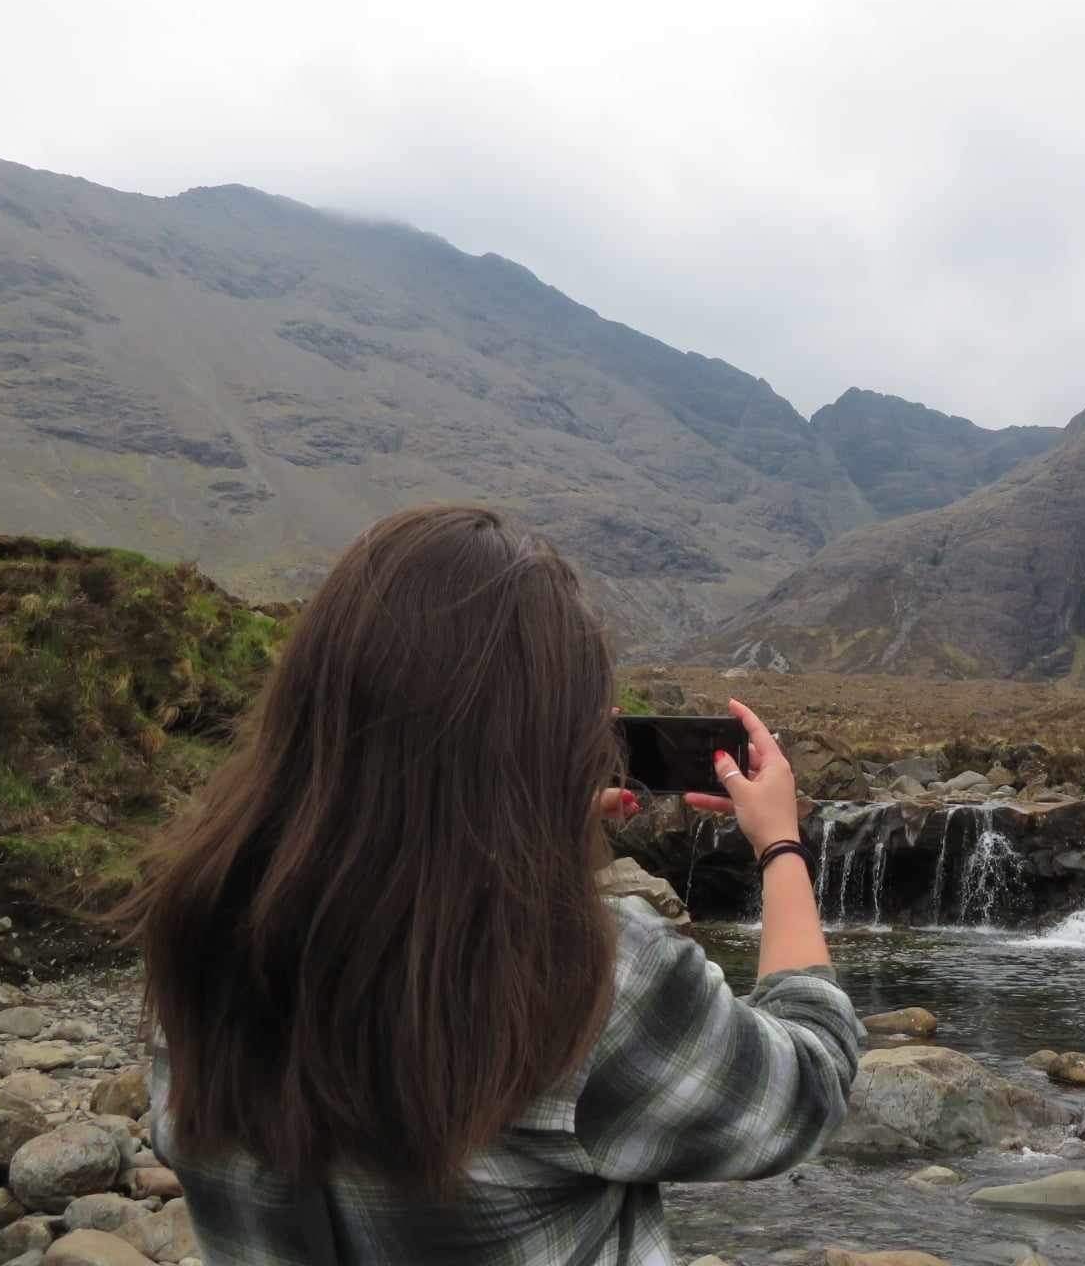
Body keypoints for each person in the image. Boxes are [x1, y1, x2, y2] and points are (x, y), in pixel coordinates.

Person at [116, 505, 861, 1265]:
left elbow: (406, 888)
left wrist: (542, 833)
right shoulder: (586, 974)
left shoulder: (205, 927)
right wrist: (781, 846)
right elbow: (809, 1084)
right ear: (543, 741)